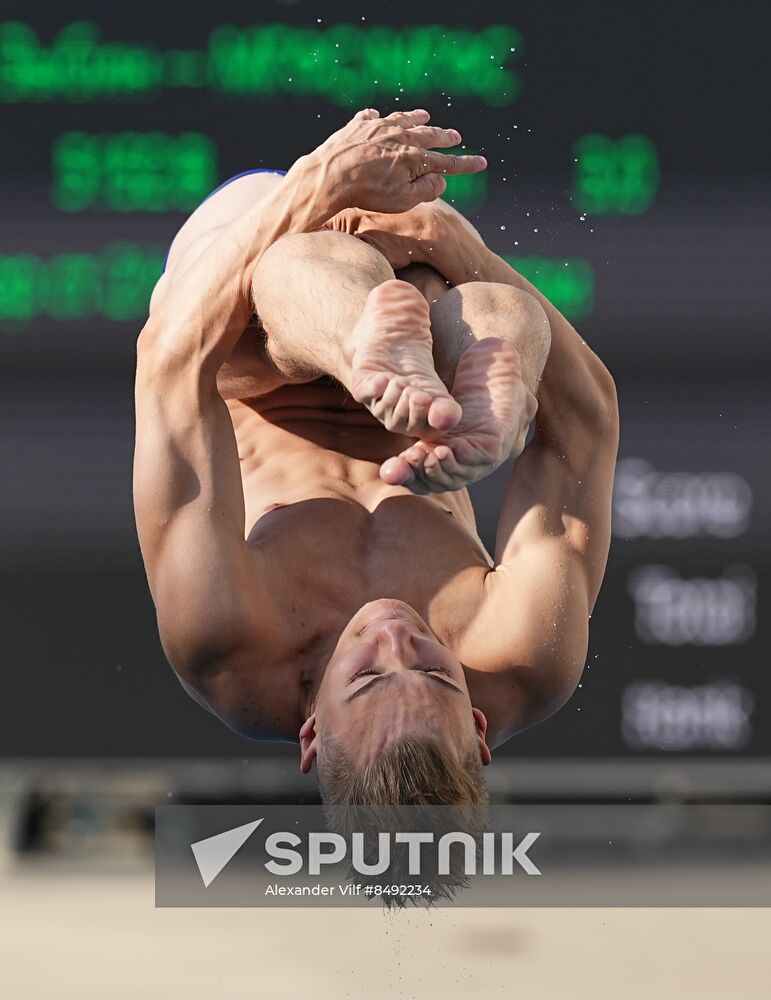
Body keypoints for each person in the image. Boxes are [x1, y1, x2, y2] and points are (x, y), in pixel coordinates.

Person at [134, 108, 619, 808]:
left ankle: (366, 353)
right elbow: (586, 426)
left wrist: (312, 185)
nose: (393, 634)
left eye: (364, 677)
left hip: (258, 349)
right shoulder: (519, 652)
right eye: (434, 672)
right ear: (477, 725)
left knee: (300, 267)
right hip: (427, 318)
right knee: (495, 313)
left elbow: (168, 363)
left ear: (311, 733)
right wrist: (452, 243)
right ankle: (470, 396)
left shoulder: (225, 640)